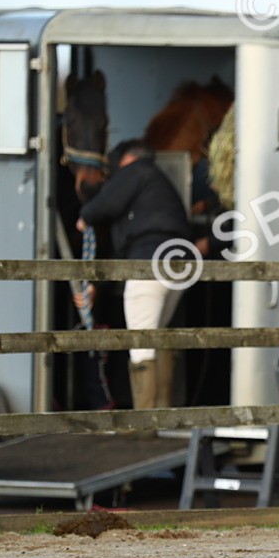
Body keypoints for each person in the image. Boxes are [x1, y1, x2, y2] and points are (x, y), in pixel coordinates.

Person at [77, 139, 192, 410]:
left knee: (141, 340)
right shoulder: (158, 182)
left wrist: (85, 216)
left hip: (149, 261)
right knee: (157, 335)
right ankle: (160, 415)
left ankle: (145, 423)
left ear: (126, 159)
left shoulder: (136, 172)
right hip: (179, 263)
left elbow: (102, 205)